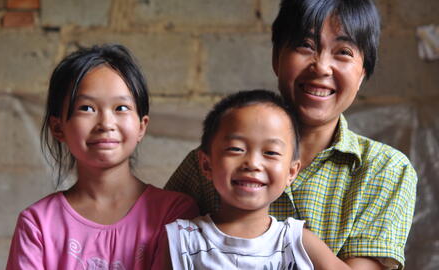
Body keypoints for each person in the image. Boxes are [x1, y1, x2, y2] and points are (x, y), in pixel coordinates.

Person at [165, 0, 418, 269]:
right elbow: (150, 238)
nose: (321, 67)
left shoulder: (385, 169)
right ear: (277, 57)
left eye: (343, 52)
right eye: (305, 46)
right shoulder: (210, 162)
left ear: (363, 71)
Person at [6, 44, 198, 270]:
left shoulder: (174, 214)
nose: (106, 124)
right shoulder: (38, 224)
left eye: (121, 107)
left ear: (141, 126)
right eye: (86, 108)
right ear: (58, 128)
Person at [166, 89, 354, 270]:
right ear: (207, 165)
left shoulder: (298, 242)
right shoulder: (182, 239)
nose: (253, 163)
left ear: (291, 172)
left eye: (271, 152)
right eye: (236, 149)